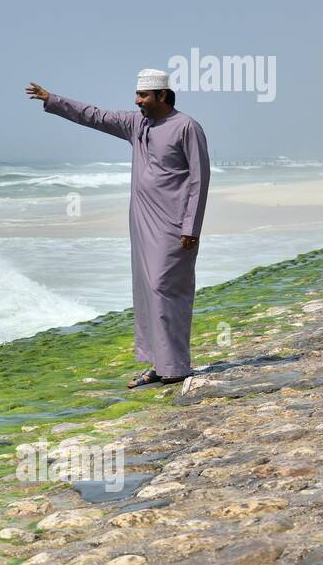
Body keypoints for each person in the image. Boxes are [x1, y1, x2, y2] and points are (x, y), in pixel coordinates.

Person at [25, 69, 210, 389]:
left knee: (166, 290)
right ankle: (158, 364)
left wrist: (191, 226)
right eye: (137, 96)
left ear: (162, 96)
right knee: (147, 293)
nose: (137, 101)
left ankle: (177, 365)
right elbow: (94, 116)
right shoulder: (136, 124)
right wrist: (52, 100)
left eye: (143, 96)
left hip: (175, 225)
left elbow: (199, 179)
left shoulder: (186, 127)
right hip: (142, 222)